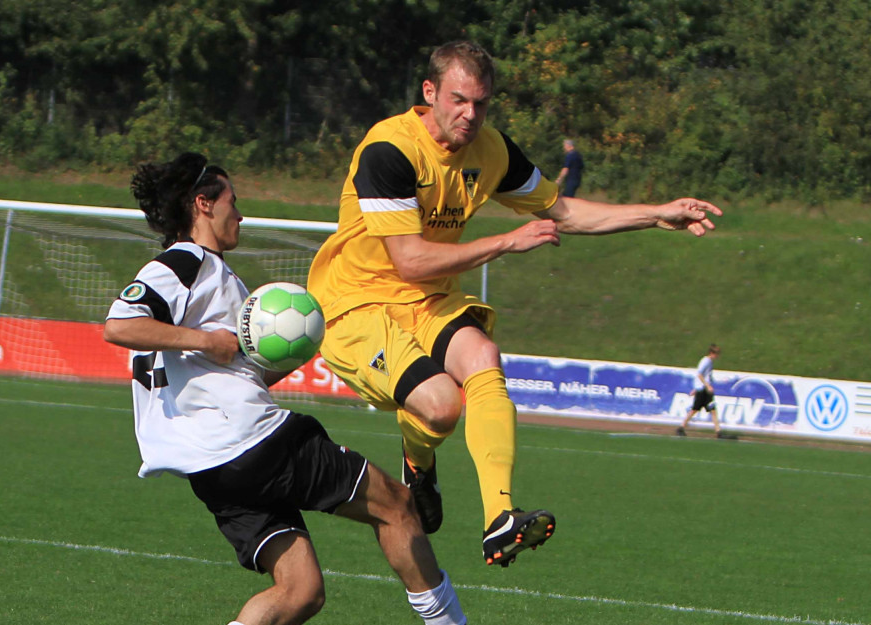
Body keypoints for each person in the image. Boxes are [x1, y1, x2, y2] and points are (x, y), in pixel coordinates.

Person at [105, 152, 532, 625]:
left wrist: (273, 356)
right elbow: (120, 323)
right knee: (396, 504)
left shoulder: (212, 278)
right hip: (254, 441)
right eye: (232, 201)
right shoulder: (186, 262)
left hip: (211, 467)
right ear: (202, 203)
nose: (240, 214)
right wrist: (210, 340)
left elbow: (217, 367)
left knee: (301, 590)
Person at [307, 40, 723, 568]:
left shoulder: (492, 151)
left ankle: (499, 520)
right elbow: (409, 260)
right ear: (429, 92)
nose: (470, 114)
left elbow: (564, 211)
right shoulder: (390, 149)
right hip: (356, 304)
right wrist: (506, 241)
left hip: (428, 298)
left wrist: (656, 214)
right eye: (459, 100)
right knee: (441, 407)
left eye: (481, 103)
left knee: (484, 356)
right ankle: (418, 458)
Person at [678, 344, 723, 437]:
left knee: (713, 410)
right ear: (711, 353)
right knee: (695, 409)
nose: (717, 356)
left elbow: (705, 376)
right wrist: (707, 386)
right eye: (716, 354)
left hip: (705, 390)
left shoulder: (709, 362)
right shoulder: (705, 361)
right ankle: (681, 427)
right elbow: (699, 374)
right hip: (703, 390)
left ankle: (718, 432)